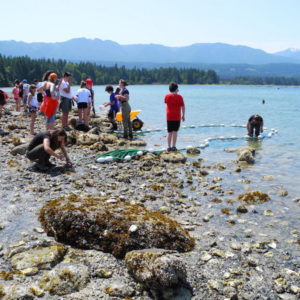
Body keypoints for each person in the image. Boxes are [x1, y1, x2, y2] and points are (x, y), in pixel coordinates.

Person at [164, 82, 185, 151]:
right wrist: (183, 115)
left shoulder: (167, 96)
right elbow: (183, 106)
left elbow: (166, 102)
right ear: (176, 89)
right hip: (177, 116)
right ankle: (174, 146)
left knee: (169, 132)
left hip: (169, 116)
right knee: (175, 131)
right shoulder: (180, 97)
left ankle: (168, 147)